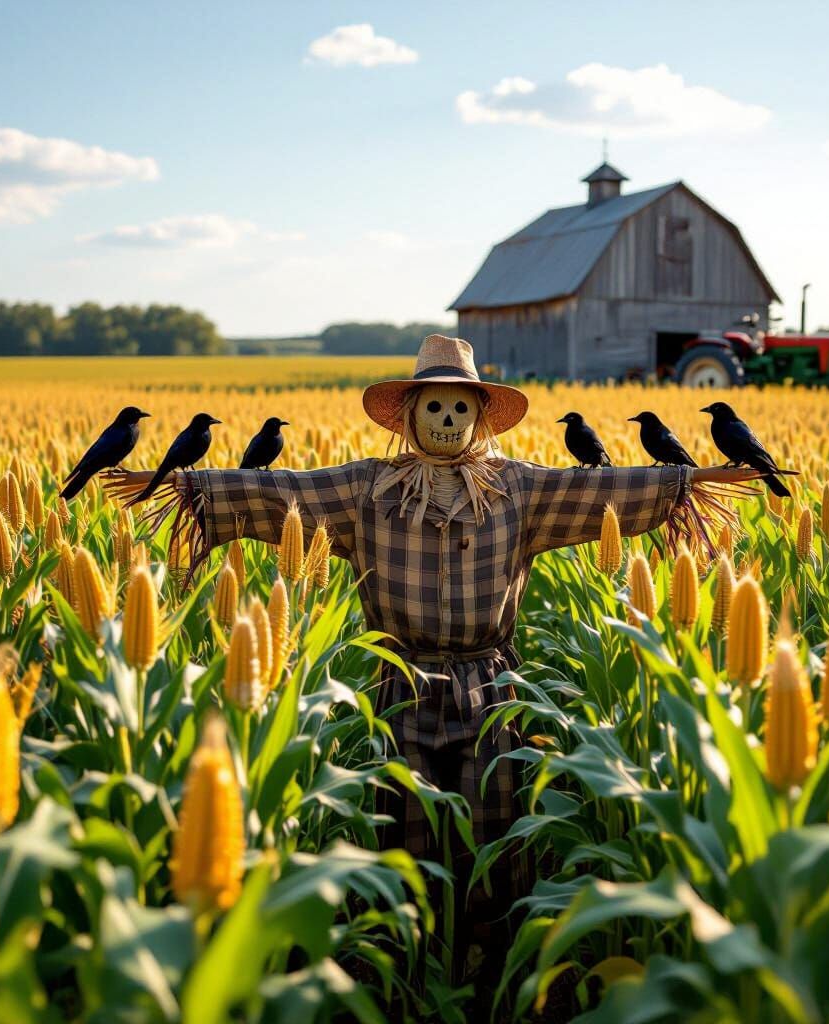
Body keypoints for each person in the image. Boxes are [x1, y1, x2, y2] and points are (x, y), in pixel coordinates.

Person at [109, 334, 759, 994]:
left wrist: (690, 481)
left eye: (459, 411)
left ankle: (492, 967)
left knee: (496, 824)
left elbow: (595, 492)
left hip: (490, 685)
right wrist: (182, 484)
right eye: (434, 410)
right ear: (411, 417)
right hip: (402, 682)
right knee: (404, 829)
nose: (447, 423)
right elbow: (283, 494)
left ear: (478, 420)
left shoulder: (517, 488)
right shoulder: (368, 488)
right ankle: (407, 964)